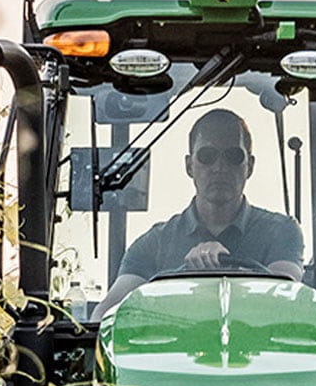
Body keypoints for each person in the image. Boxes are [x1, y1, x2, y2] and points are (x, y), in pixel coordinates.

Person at [93, 107, 303, 318]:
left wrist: (224, 274)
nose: (219, 167)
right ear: (189, 165)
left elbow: (286, 295)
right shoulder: (154, 244)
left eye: (233, 156)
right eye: (207, 156)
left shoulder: (281, 231)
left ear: (250, 166)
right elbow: (105, 315)